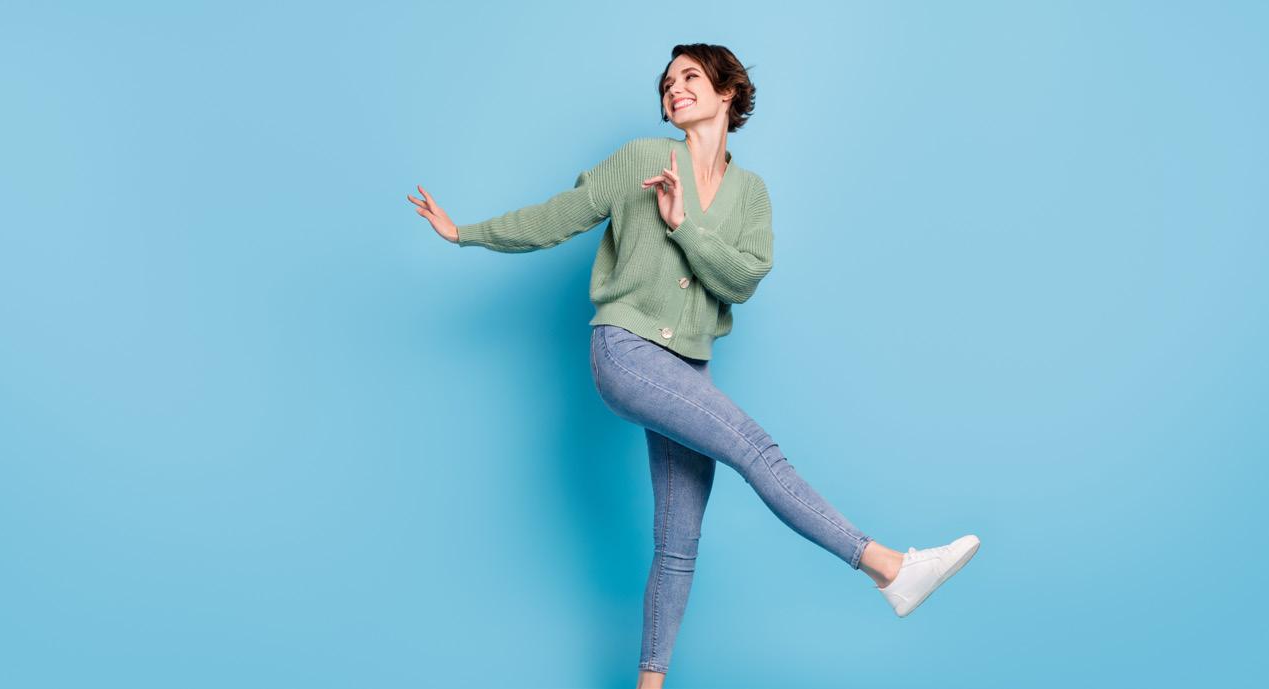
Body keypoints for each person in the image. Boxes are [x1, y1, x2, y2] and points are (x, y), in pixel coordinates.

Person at [408, 43, 981, 689]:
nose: (674, 87)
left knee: (678, 545)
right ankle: (889, 567)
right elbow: (558, 217)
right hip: (626, 351)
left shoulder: (751, 193)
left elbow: (743, 280)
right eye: (667, 81)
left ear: (726, 91)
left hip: (688, 370)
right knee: (757, 450)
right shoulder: (642, 158)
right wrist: (465, 232)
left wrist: (684, 226)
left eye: (690, 76)